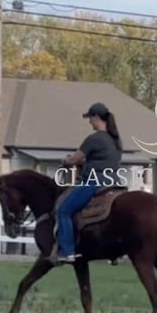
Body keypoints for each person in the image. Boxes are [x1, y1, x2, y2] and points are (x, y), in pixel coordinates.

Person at [55, 102, 123, 264]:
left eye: (90, 118)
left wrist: (66, 161)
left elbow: (75, 159)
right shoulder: (115, 140)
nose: (89, 122)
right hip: (114, 182)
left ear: (97, 117)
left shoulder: (94, 139)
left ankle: (67, 251)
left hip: (94, 182)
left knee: (64, 211)